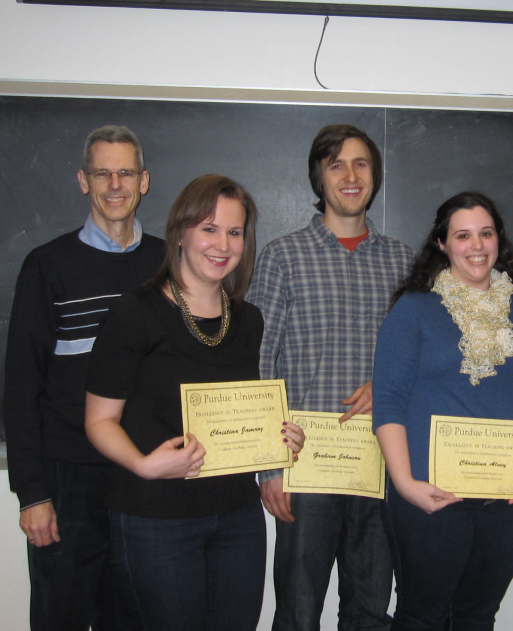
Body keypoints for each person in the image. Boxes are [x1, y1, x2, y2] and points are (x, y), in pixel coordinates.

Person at [83, 174, 304, 631]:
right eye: (209, 228)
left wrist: (280, 438)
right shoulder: (135, 314)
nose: (222, 244)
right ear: (181, 233)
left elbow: (245, 410)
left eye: (235, 232)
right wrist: (144, 464)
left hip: (237, 519)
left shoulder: (249, 321)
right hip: (155, 518)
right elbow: (99, 421)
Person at [247, 124, 412, 631]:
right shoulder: (282, 256)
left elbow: (420, 362)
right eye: (335, 164)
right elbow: (258, 362)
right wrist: (269, 466)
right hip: (305, 468)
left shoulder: (404, 262)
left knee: (368, 611)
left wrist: (386, 387)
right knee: (298, 613)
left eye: (360, 163)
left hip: (378, 466)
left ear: (375, 176)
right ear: (318, 177)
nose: (349, 175)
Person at [372, 191, 513, 630]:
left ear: (499, 240)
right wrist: (405, 484)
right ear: (442, 244)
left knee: (477, 617)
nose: (477, 246)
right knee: (424, 616)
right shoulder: (413, 311)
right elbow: (389, 403)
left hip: (507, 500)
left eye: (486, 233)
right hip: (431, 495)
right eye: (463, 235)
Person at [3, 125, 164, 630]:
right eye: (102, 173)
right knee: (61, 617)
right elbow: (21, 385)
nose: (114, 184)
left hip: (144, 476)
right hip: (67, 478)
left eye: (125, 172)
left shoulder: (170, 265)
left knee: (137, 616)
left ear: (144, 181)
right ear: (82, 180)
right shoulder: (47, 266)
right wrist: (32, 493)